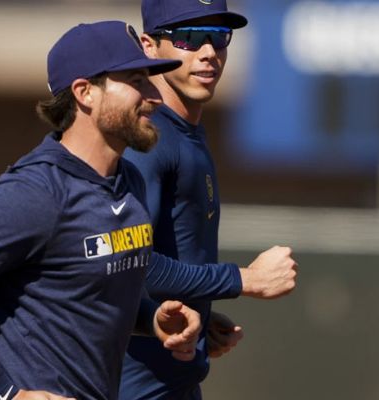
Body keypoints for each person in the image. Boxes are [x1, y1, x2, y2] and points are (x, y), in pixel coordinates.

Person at [0, 21, 205, 400]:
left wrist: (153, 320)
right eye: (137, 81)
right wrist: (6, 394)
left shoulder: (129, 180)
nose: (155, 97)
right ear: (85, 93)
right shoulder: (36, 189)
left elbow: (84, 298)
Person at [119, 0, 298, 398]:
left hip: (172, 382)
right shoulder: (149, 139)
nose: (207, 52)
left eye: (218, 37)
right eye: (188, 37)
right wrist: (243, 279)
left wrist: (198, 310)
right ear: (149, 46)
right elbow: (130, 265)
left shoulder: (185, 130)